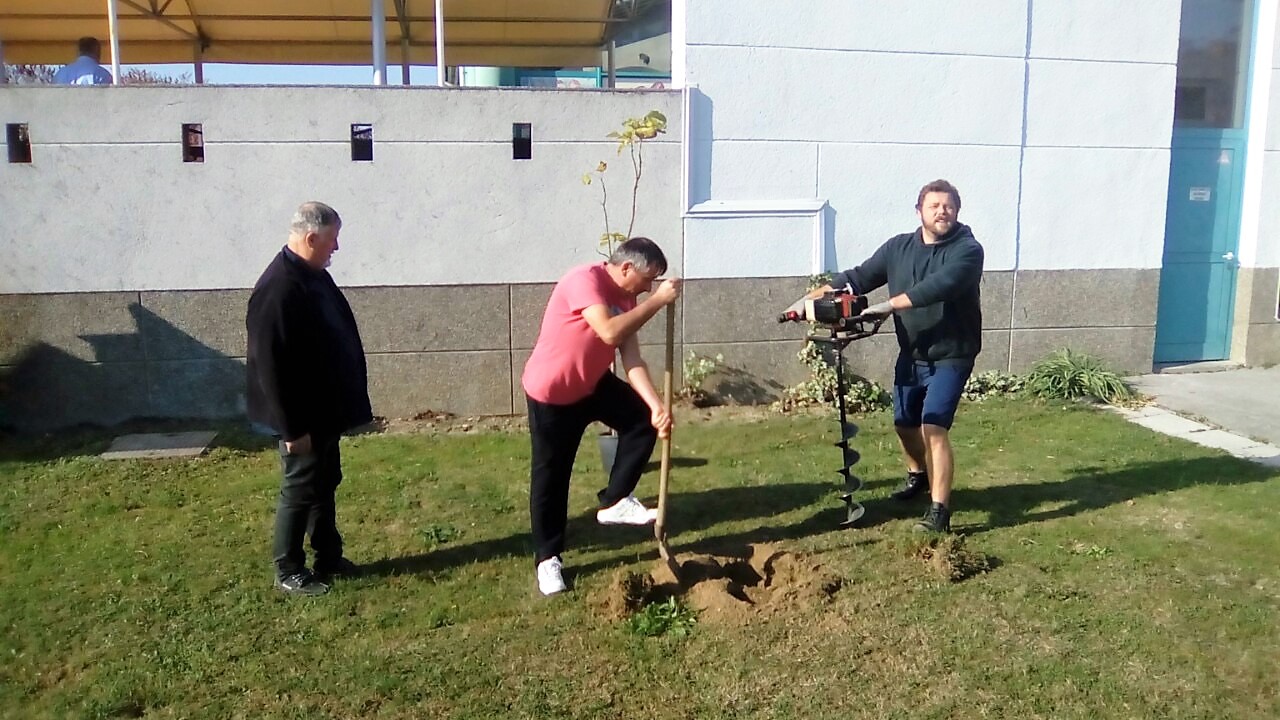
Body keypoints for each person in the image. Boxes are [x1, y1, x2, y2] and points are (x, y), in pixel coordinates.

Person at [785, 179, 983, 533]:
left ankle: (939, 512)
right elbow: (857, 278)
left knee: (933, 425)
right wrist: (809, 301)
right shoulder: (898, 248)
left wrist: (888, 306)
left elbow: (938, 287)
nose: (942, 211)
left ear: (957, 211)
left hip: (952, 354)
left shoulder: (967, 250)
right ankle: (918, 474)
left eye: (949, 205)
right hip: (913, 352)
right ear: (919, 210)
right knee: (905, 424)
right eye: (934, 205)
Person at [522, 237, 681, 595]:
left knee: (641, 420)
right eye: (647, 278)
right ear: (626, 268)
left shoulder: (627, 298)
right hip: (553, 393)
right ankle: (548, 561)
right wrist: (658, 301)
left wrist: (656, 406)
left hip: (592, 383)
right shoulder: (584, 280)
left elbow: (632, 359)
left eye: (654, 282)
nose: (649, 287)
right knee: (552, 476)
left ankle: (615, 500)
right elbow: (608, 330)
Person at [246, 202, 372, 596]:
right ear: (311, 237)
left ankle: (328, 556)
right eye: (332, 240)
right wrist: (292, 429)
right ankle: (289, 568)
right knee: (300, 487)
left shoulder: (312, 274)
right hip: (300, 417)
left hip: (323, 411)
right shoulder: (279, 287)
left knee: (324, 482)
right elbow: (271, 367)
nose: (337, 248)